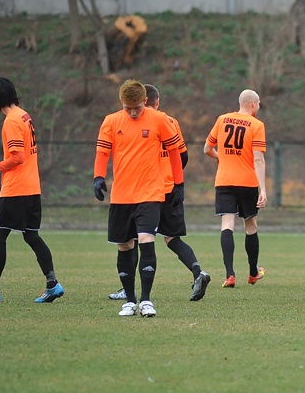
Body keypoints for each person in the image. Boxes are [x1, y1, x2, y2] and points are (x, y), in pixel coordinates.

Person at [0, 77, 64, 304]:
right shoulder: (24, 115)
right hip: (32, 188)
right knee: (31, 235)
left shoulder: (11, 121)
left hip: (16, 190)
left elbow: (18, 157)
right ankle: (52, 284)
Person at [107, 85, 211, 302]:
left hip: (148, 190)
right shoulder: (172, 122)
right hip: (169, 188)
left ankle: (129, 291)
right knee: (171, 237)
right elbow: (182, 156)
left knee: (133, 238)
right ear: (157, 101)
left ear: (145, 102)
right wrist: (176, 181)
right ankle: (197, 271)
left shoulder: (148, 122)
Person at [94, 79, 184, 317]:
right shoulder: (111, 121)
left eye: (137, 107)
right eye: (127, 108)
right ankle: (129, 301)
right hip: (122, 195)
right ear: (121, 103)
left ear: (145, 101)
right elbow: (103, 151)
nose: (133, 112)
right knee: (124, 246)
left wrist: (179, 183)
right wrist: (98, 177)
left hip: (149, 193)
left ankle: (146, 300)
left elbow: (174, 152)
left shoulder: (159, 120)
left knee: (146, 239)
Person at [204, 89, 268, 288]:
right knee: (250, 226)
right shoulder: (257, 125)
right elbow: (258, 158)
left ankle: (230, 275)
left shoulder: (222, 119)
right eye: (258, 104)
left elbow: (207, 149)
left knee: (227, 225)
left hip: (224, 180)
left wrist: (221, 158)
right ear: (253, 104)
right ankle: (252, 273)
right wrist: (263, 189)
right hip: (247, 182)